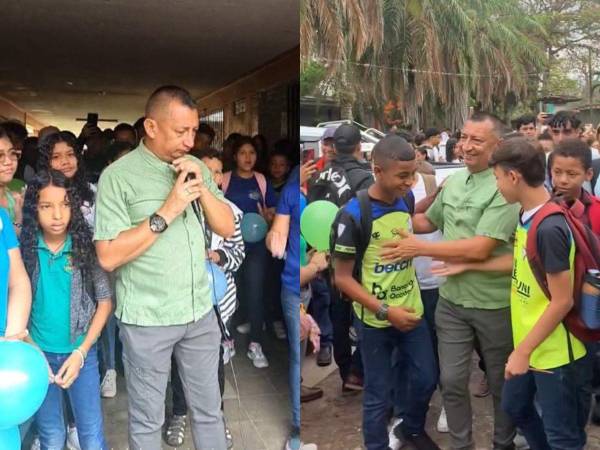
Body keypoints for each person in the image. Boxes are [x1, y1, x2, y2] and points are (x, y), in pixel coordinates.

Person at [94, 85, 234, 450]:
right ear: (151, 127)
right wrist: (169, 209)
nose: (190, 140)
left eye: (194, 131)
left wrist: (202, 187)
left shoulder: (197, 166)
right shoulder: (118, 177)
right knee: (147, 421)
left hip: (199, 311)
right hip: (147, 319)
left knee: (209, 412)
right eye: (180, 131)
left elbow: (227, 226)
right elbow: (107, 256)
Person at [436, 136, 592, 448]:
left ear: (513, 176)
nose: (496, 187)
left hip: (556, 354)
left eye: (496, 179)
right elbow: (522, 269)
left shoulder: (549, 227)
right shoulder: (526, 217)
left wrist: (521, 352)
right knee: (515, 408)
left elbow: (562, 301)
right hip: (531, 347)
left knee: (564, 436)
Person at [381, 112, 518, 450]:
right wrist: (386, 216)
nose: (466, 146)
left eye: (477, 140)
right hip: (452, 303)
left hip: (494, 304)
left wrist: (418, 249)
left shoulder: (505, 187)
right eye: (464, 137)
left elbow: (481, 247)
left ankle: (504, 443)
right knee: (452, 381)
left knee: (502, 384)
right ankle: (461, 445)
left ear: (497, 145)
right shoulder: (455, 181)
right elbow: (429, 220)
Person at [333, 135, 438, 450]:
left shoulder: (404, 199)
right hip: (376, 321)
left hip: (412, 311)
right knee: (378, 395)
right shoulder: (352, 214)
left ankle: (410, 428)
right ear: (377, 170)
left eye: (413, 174)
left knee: (426, 378)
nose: (410, 182)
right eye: (402, 176)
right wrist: (384, 311)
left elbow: (411, 220)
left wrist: (441, 201)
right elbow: (342, 279)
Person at [23, 170, 112, 449]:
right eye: (47, 206)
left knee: (91, 434)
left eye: (65, 204)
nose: (58, 215)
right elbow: (14, 305)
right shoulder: (24, 249)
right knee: (50, 434)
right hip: (39, 355)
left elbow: (105, 302)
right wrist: (31, 346)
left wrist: (81, 352)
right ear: (33, 209)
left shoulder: (84, 247)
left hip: (80, 354)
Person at [165, 148, 245, 449]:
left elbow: (238, 254)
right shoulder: (177, 208)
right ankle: (179, 413)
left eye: (216, 171)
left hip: (217, 301)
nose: (210, 176)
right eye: (204, 170)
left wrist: (214, 255)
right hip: (181, 299)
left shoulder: (231, 212)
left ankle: (217, 416)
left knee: (214, 365)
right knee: (179, 360)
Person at [223, 135, 277, 368]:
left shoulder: (262, 181)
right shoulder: (224, 180)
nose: (248, 157)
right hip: (229, 246)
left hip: (256, 248)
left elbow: (273, 210)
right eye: (243, 153)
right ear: (234, 156)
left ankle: (256, 343)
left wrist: (269, 216)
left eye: (252, 153)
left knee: (255, 293)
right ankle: (227, 341)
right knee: (228, 295)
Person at [266, 165, 305, 449]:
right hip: (301, 284)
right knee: (298, 352)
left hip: (310, 283)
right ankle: (298, 425)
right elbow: (277, 234)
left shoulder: (294, 191)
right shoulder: (293, 192)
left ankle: (299, 425)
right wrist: (274, 238)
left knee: (299, 353)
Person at [0, 125, 25, 234]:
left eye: (12, 153)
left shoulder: (13, 199)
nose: (9, 161)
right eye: (0, 156)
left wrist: (19, 212)